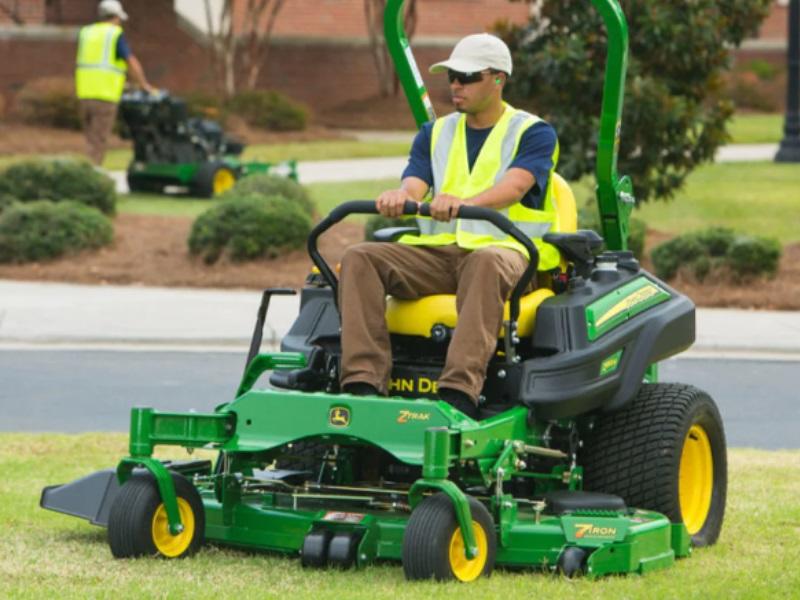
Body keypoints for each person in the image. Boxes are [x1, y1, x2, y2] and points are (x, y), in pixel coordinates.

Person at [338, 33, 560, 420]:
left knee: (485, 262)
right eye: (452, 76)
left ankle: (458, 392)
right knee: (360, 258)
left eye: (468, 76)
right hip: (440, 254)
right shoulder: (435, 132)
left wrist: (465, 205)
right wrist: (400, 195)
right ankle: (363, 384)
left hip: (508, 253)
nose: (456, 84)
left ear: (498, 78)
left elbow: (516, 186)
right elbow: (415, 182)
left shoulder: (533, 132)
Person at [74, 0, 155, 165]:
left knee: (90, 138)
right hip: (105, 96)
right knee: (99, 140)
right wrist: (143, 84)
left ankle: (87, 171)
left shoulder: (86, 32)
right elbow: (130, 61)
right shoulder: (114, 34)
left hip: (84, 93)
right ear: (116, 17)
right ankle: (93, 177)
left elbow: (95, 64)